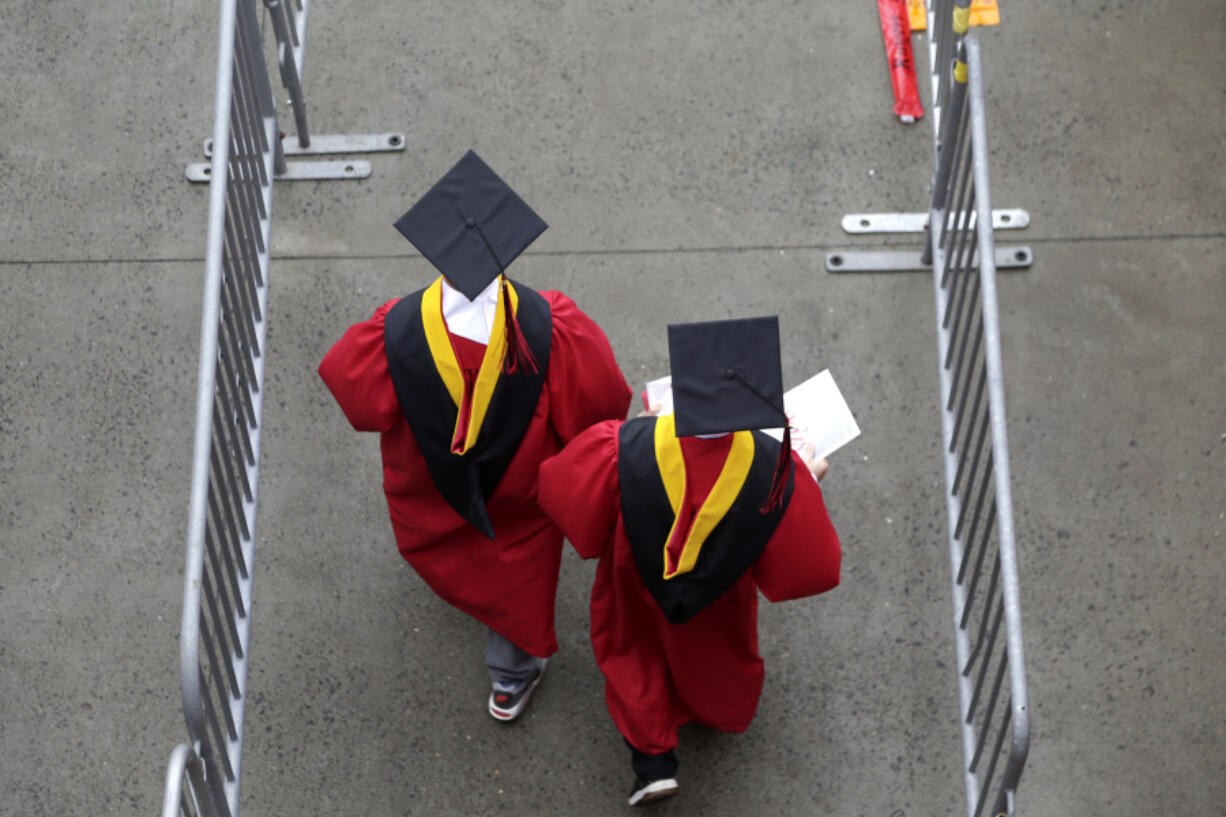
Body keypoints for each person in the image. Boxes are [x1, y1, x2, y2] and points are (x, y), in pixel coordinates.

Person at [318, 150, 632, 722]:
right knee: (517, 580)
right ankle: (511, 677)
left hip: (431, 492)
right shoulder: (553, 326)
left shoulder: (393, 329)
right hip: (521, 497)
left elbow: (356, 398)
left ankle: (479, 612)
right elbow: (602, 406)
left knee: (458, 554)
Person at [536, 316, 842, 806]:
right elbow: (813, 568)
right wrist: (803, 486)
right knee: (712, 655)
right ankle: (712, 712)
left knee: (632, 653)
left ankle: (653, 764)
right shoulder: (777, 470)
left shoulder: (622, 447)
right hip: (719, 599)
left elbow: (558, 493)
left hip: (630, 580)